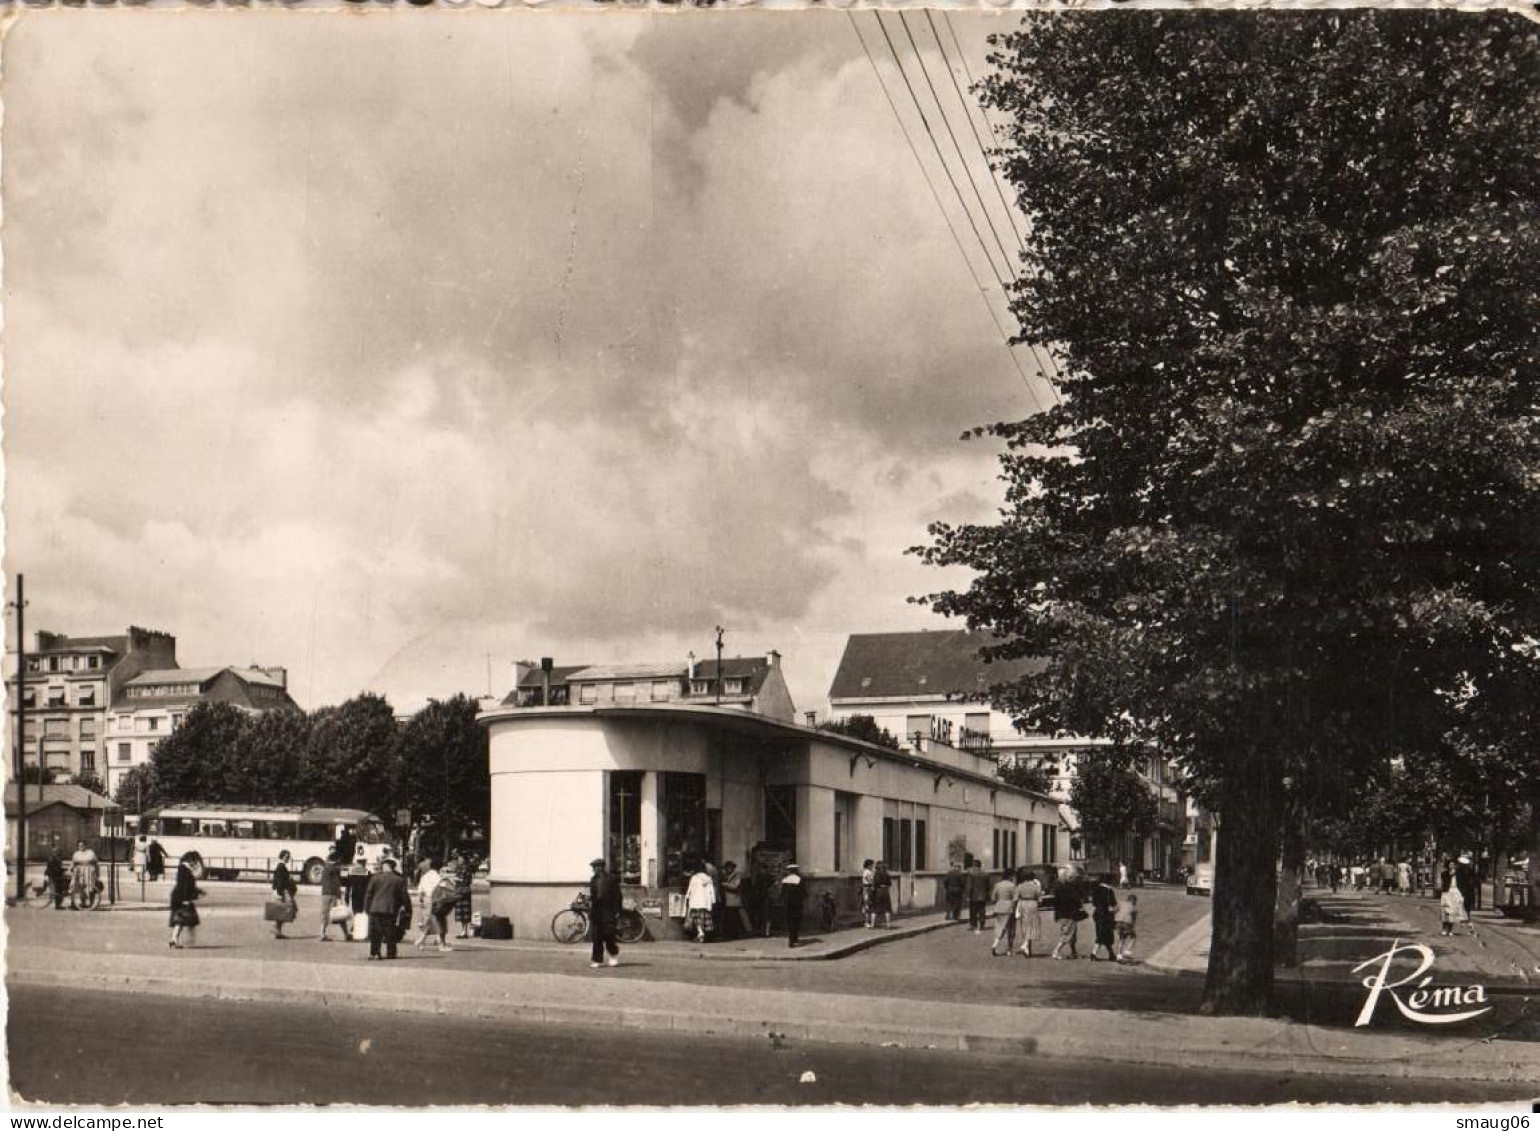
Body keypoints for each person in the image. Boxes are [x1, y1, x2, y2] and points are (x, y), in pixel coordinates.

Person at [363, 858, 410, 961]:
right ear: (393, 868)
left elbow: (369, 894)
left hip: (375, 908)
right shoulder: (399, 880)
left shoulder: (375, 878)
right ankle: (391, 953)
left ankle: (375, 953)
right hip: (390, 909)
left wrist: (367, 908)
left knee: (375, 932)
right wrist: (407, 909)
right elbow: (404, 896)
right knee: (390, 932)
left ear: (385, 867)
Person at [588, 857, 622, 968]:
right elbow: (593, 896)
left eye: (595, 867)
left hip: (609, 910)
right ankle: (596, 959)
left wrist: (617, 910)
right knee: (596, 936)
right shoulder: (593, 880)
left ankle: (613, 955)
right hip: (597, 911)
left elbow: (618, 896)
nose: (594, 869)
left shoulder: (612, 879)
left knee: (609, 934)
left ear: (601, 867)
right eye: (593, 867)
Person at [414, 858, 450, 951]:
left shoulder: (424, 876)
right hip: (436, 900)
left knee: (427, 922)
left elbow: (420, 891)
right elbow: (443, 889)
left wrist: (421, 901)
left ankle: (422, 943)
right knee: (440, 922)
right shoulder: (438, 877)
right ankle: (441, 944)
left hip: (426, 900)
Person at [168, 855, 202, 949]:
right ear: (190, 860)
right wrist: (185, 899)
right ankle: (178, 940)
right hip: (182, 899)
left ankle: (178, 940)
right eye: (194, 861)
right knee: (181, 921)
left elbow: (187, 885)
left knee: (186, 921)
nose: (195, 864)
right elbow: (184, 885)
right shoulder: (184, 869)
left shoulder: (184, 869)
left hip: (181, 898)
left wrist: (198, 891)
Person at [1051, 867, 1084, 960]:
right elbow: (1076, 899)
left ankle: (1073, 952)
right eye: (1069, 876)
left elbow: (1056, 902)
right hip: (1069, 914)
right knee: (1067, 934)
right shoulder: (1068, 888)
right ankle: (1056, 951)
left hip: (1062, 914)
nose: (1071, 878)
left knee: (1070, 933)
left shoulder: (1057, 887)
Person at [318, 850, 346, 942]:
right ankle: (345, 933)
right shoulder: (334, 869)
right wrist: (339, 896)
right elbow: (336, 883)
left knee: (325, 914)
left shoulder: (326, 868)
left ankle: (322, 933)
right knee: (339, 914)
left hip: (325, 893)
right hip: (333, 894)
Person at [989, 869, 1018, 957]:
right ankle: (1009, 949)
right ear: (1010, 876)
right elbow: (1015, 898)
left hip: (999, 907)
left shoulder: (997, 885)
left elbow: (993, 898)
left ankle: (995, 943)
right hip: (1009, 908)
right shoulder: (1012, 885)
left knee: (1000, 927)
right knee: (1011, 929)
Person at [270, 850, 298, 939]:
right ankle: (276, 929)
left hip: (282, 891)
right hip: (282, 892)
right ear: (282, 857)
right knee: (287, 910)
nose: (288, 858)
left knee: (282, 910)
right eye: (287, 857)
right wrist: (279, 893)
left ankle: (277, 930)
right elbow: (279, 881)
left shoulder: (281, 866)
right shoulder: (281, 866)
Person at [1090, 874, 1118, 961]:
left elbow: (1094, 904)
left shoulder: (1095, 890)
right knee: (1104, 935)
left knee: (1103, 934)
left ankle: (1111, 954)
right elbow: (1113, 904)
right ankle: (1093, 954)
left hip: (1097, 913)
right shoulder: (1109, 891)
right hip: (1106, 915)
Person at [685, 865, 716, 944]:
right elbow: (712, 891)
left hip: (695, 902)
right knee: (704, 919)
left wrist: (687, 896)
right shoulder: (709, 879)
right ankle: (702, 934)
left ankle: (700, 932)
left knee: (696, 919)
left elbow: (690, 889)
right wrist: (713, 900)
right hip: (705, 903)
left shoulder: (694, 878)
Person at [780, 864, 807, 948]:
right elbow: (804, 893)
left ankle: (791, 939)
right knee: (796, 921)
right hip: (797, 904)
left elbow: (782, 893)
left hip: (787, 905)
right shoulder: (799, 880)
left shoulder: (785, 880)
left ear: (789, 871)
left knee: (789, 921)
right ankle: (794, 938)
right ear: (796, 870)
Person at [452, 850, 477, 939]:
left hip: (463, 890)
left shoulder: (465, 868)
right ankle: (463, 931)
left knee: (464, 912)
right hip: (462, 890)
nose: (458, 859)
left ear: (463, 859)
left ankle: (464, 931)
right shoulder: (463, 867)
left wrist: (455, 879)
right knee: (463, 912)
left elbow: (464, 880)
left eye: (459, 858)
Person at [721, 861, 750, 939]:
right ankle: (730, 933)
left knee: (734, 918)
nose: (728, 869)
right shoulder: (726, 876)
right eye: (726, 868)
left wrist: (724, 884)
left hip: (734, 900)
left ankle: (735, 934)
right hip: (728, 900)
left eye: (729, 867)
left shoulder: (737, 876)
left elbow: (735, 886)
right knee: (729, 919)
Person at [69, 840, 100, 910]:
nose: (81, 847)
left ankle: (91, 904)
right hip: (78, 872)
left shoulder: (90, 853)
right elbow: (73, 863)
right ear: (78, 846)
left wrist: (97, 873)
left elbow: (96, 863)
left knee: (90, 887)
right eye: (79, 846)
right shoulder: (76, 854)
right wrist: (71, 869)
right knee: (77, 886)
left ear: (85, 845)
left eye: (82, 845)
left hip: (88, 871)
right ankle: (76, 903)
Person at [747, 862, 773, 938]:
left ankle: (766, 932)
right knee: (763, 916)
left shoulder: (766, 878)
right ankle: (764, 931)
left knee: (766, 916)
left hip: (765, 898)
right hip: (762, 898)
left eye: (762, 869)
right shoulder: (761, 878)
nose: (761, 870)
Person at [965, 859, 990, 933]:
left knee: (973, 911)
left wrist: (968, 895)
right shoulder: (985, 873)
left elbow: (969, 885)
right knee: (982, 910)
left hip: (973, 895)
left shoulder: (970, 873)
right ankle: (982, 924)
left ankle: (973, 925)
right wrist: (986, 893)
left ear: (973, 865)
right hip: (982, 895)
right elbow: (988, 885)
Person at [1115, 891, 1139, 962]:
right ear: (1134, 901)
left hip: (1118, 922)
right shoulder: (1134, 908)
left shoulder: (1121, 903)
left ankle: (1119, 955)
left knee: (1121, 938)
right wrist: (1132, 928)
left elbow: (1116, 911)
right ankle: (1127, 951)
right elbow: (1133, 920)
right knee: (1133, 936)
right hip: (1127, 923)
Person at [872, 861, 894, 928]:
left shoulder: (876, 874)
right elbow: (890, 884)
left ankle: (872, 924)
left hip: (878, 891)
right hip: (885, 891)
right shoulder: (887, 874)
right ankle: (888, 924)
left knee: (875, 907)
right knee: (887, 908)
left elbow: (874, 884)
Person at [860, 859, 877, 929]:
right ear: (869, 865)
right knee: (867, 905)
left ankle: (866, 921)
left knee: (866, 905)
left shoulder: (865, 872)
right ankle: (866, 922)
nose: (873, 866)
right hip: (867, 889)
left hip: (865, 888)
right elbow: (870, 881)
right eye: (872, 865)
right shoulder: (868, 872)